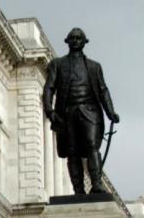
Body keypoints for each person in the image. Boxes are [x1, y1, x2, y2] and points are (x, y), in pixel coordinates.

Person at [42, 27, 119, 196]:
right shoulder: (57, 64)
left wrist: (110, 112)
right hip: (67, 113)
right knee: (72, 152)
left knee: (92, 146)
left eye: (79, 38)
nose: (75, 40)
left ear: (84, 42)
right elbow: (49, 87)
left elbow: (103, 90)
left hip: (90, 111)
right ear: (67, 41)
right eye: (72, 38)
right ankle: (79, 190)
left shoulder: (94, 66)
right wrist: (49, 110)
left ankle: (97, 184)